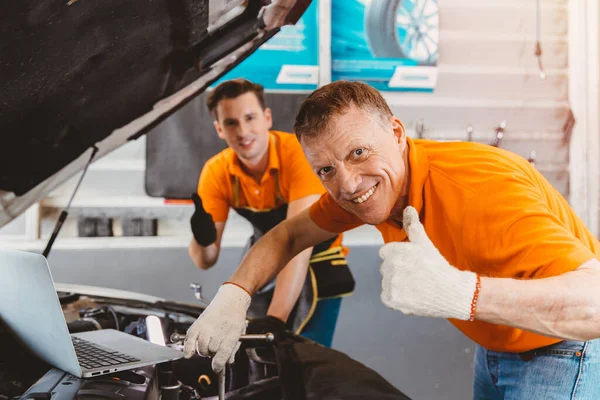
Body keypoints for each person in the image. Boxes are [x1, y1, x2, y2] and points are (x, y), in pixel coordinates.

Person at [184, 80, 600, 398]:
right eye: (325, 170)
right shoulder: (363, 189)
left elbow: (595, 303)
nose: (347, 184)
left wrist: (464, 294)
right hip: (496, 346)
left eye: (359, 153)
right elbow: (289, 235)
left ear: (398, 133)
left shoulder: (482, 188)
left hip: (561, 349)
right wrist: (233, 295)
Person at [187, 78, 355, 349]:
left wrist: (273, 322)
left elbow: (295, 242)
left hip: (316, 261)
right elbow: (205, 260)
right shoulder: (216, 172)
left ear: (267, 117)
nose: (243, 131)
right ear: (219, 129)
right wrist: (202, 238)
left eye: (250, 118)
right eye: (231, 122)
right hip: (266, 261)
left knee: (305, 356)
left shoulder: (298, 155)